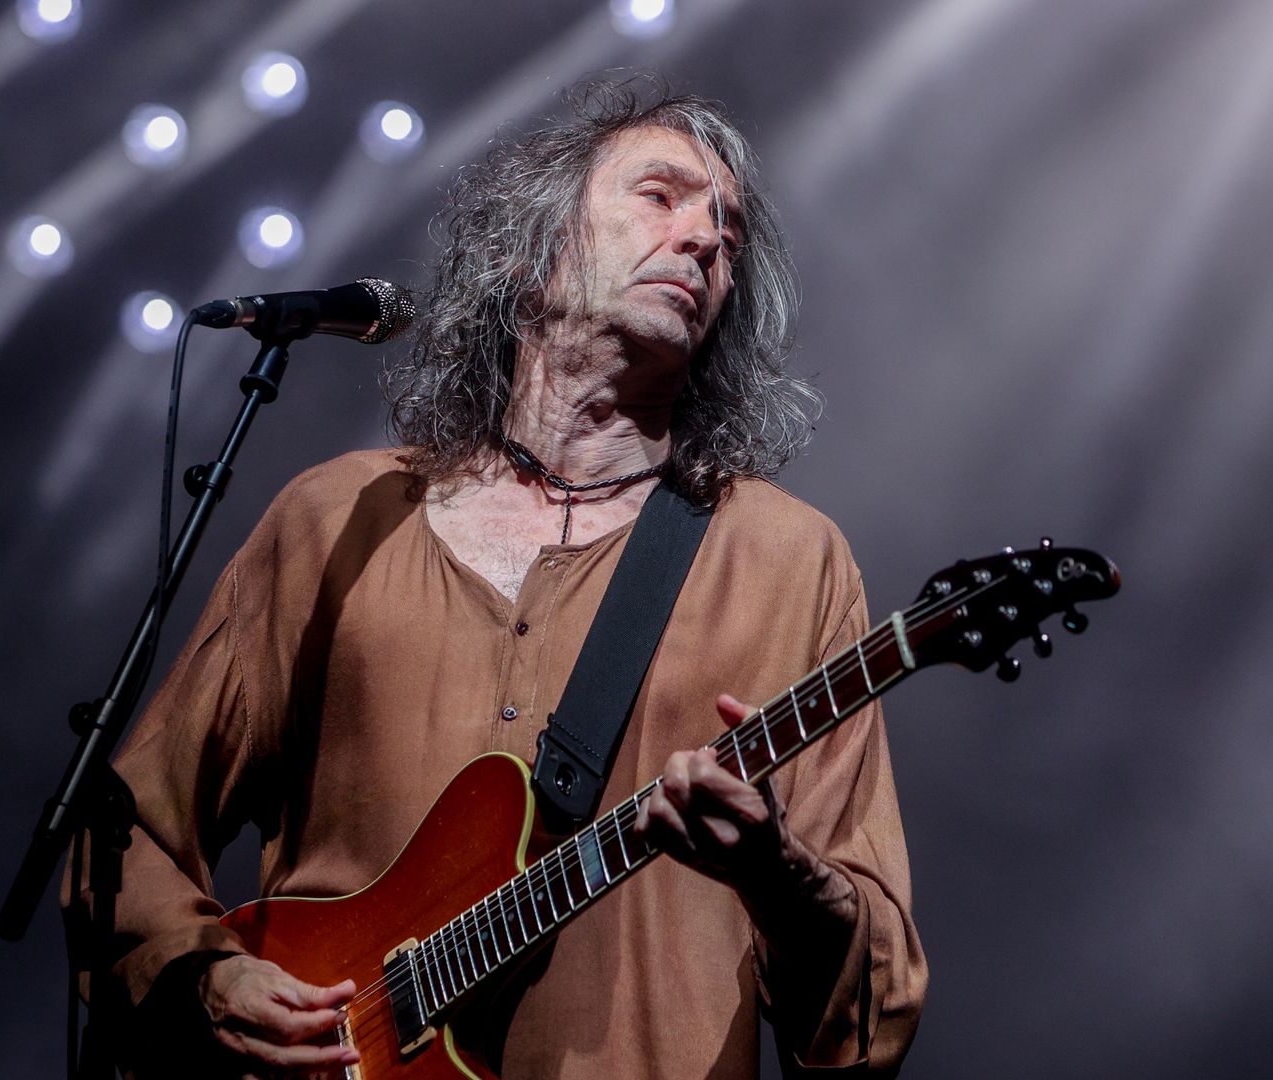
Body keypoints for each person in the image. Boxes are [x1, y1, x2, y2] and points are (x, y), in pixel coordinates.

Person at [70, 81, 927, 1078]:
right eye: (663, 196)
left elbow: (874, 1010)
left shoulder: (789, 561)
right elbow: (120, 831)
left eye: (729, 235)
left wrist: (777, 874)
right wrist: (199, 978)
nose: (704, 240)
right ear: (526, 248)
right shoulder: (337, 519)